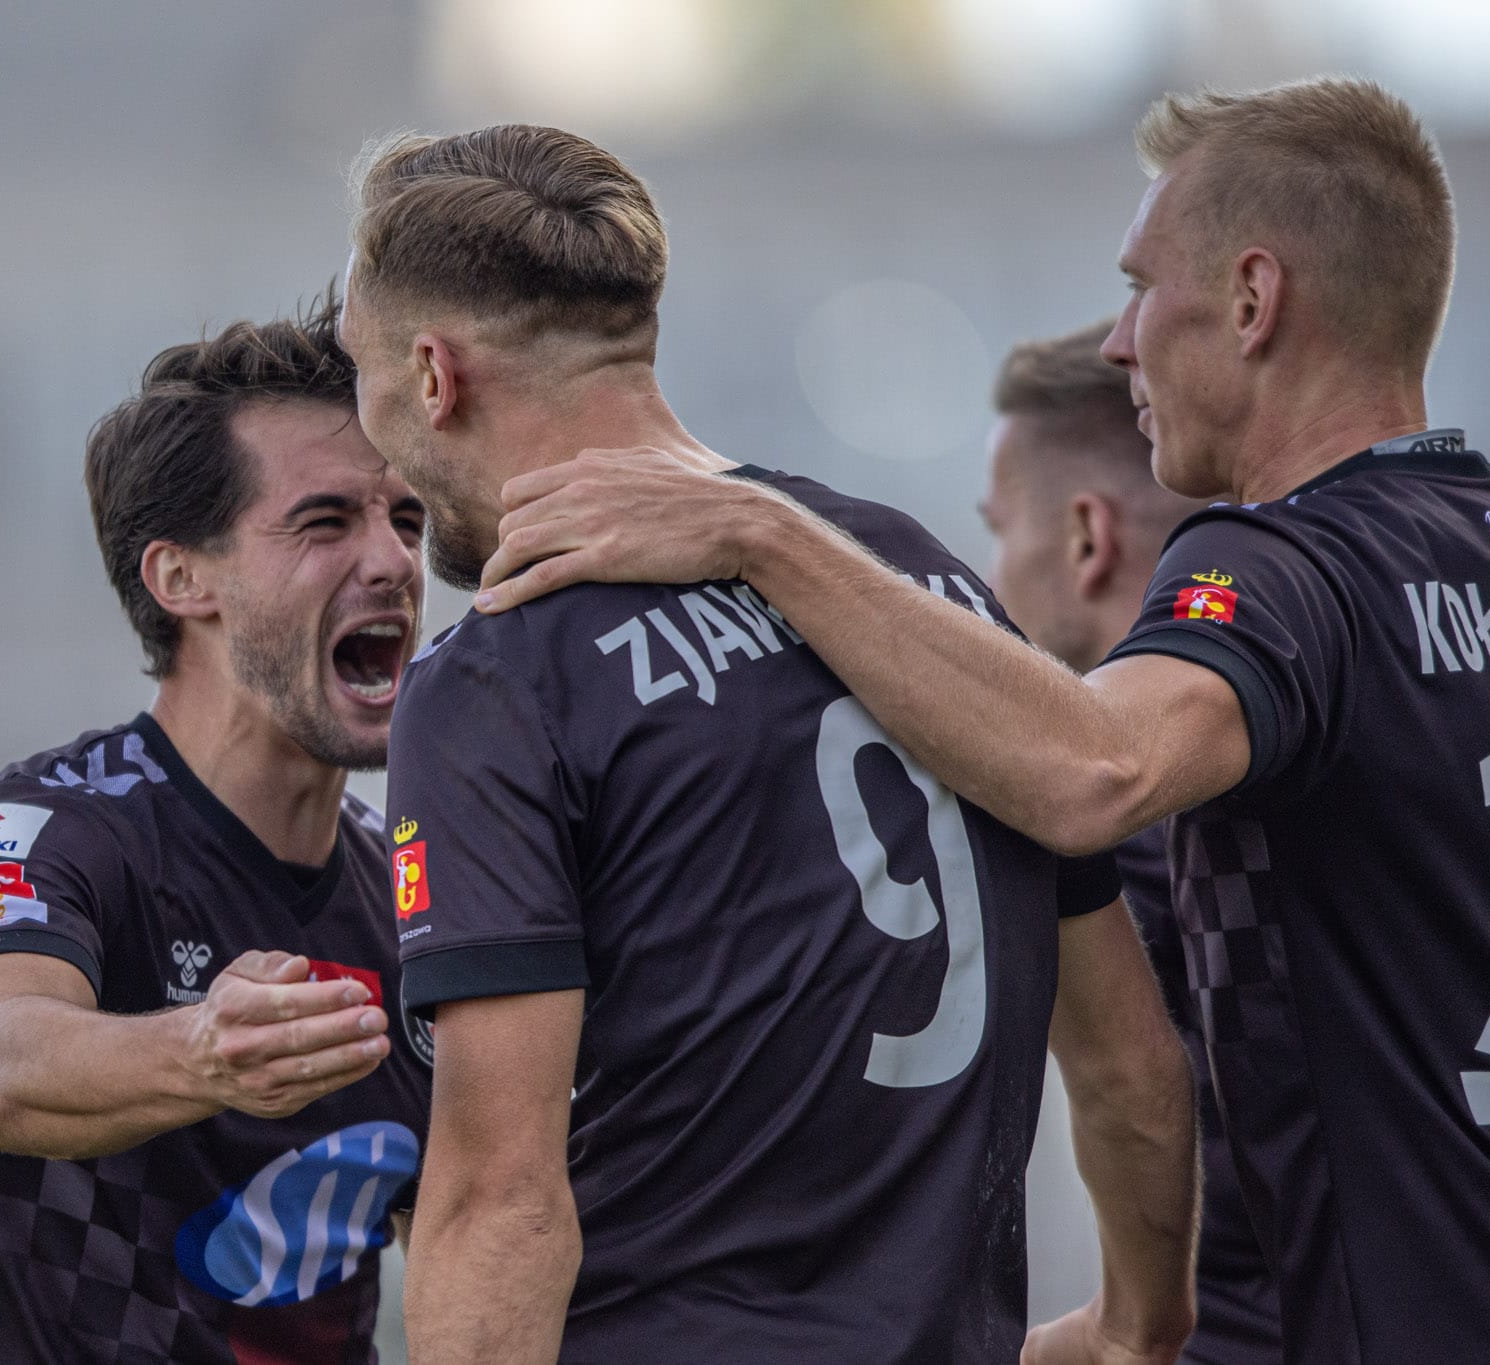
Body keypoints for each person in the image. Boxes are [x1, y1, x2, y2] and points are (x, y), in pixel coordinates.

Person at [472, 78, 1490, 1365]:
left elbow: (1093, 769)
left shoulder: (1284, 571)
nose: (1121, 340)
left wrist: (756, 530)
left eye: (1140, 287)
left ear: (1250, 300)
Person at [338, 125, 1198, 1365]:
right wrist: (1135, 1327)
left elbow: (500, 1204)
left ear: (432, 375)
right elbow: (1130, 1069)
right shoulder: (912, 579)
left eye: (361, 374)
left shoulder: (498, 678)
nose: (371, 435)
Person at [0, 296, 434, 1364]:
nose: (393, 562)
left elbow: (484, 1232)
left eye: (408, 520)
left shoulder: (422, 899)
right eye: (325, 522)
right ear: (181, 578)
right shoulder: (44, 831)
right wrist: (203, 1050)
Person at [987, 320, 1280, 1364]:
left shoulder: (1107, 820)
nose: (993, 571)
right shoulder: (1335, 753)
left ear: (1086, 537)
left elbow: (1134, 1083)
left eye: (998, 528)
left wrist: (1126, 1326)